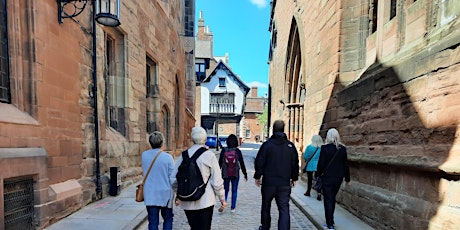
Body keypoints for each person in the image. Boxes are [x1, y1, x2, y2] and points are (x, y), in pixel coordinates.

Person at [173, 126, 226, 230]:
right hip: (205, 200)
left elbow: (174, 179)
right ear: (205, 139)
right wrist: (222, 198)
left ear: (192, 139)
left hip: (187, 201)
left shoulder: (183, 156)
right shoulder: (209, 155)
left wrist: (178, 193)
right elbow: (217, 182)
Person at [254, 120, 299, 230]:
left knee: (266, 206)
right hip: (284, 183)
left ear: (273, 130)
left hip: (269, 183)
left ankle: (265, 227)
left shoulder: (267, 145)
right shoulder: (290, 146)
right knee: (284, 208)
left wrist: (258, 176)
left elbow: (260, 161)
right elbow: (295, 163)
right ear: (283, 129)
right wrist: (294, 178)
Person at [317, 128, 351, 230]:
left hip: (327, 177)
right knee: (332, 198)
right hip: (338, 178)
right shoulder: (342, 149)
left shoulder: (325, 148)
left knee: (328, 199)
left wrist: (318, 175)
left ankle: (330, 223)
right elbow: (346, 165)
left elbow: (321, 164)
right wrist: (347, 179)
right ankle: (330, 220)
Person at [141, 131, 175, 230]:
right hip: (165, 193)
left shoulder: (144, 155)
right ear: (162, 143)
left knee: (153, 221)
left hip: (150, 193)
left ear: (150, 142)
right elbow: (172, 178)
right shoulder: (168, 158)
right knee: (168, 219)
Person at [218, 134, 248, 212]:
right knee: (234, 190)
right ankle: (233, 208)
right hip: (235, 173)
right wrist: (245, 174)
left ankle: (223, 204)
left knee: (226, 189)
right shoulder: (237, 151)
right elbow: (242, 163)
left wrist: (217, 173)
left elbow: (220, 163)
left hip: (225, 173)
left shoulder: (224, 150)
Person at [303, 135, 324, 200]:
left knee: (309, 179)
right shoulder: (322, 148)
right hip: (318, 166)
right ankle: (319, 193)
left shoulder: (309, 147)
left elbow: (305, 156)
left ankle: (308, 191)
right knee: (319, 180)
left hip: (310, 165)